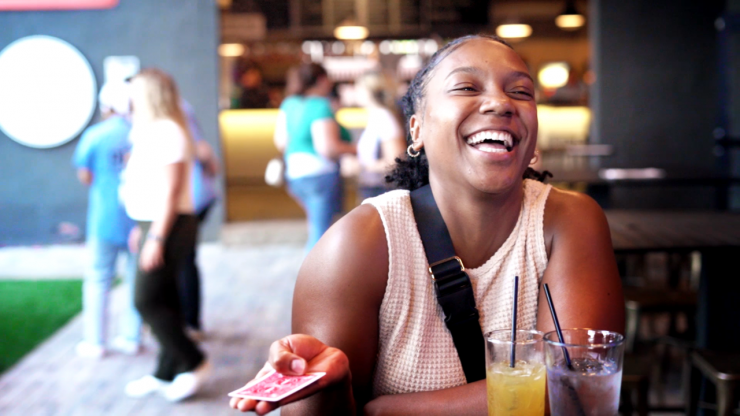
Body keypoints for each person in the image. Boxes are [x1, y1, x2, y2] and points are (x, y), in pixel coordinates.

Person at [230, 34, 625, 415]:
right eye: (467, 87)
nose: (501, 103)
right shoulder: (356, 246)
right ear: (416, 130)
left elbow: (577, 391)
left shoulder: (569, 222)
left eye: (521, 92)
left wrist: (382, 412)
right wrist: (327, 392)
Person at [120, 68, 209, 402]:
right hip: (153, 223)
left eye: (134, 92)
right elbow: (148, 188)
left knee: (145, 300)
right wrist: (140, 228)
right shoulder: (150, 131)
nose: (129, 99)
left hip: (169, 225)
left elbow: (171, 192)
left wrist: (155, 238)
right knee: (166, 299)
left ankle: (194, 361)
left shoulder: (168, 131)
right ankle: (165, 372)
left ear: (148, 95)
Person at [73, 81, 142, 358]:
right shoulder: (138, 133)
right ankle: (132, 337)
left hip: (105, 217)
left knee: (98, 279)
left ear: (106, 107)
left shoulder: (95, 135)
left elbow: (85, 175)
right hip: (137, 217)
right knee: (134, 279)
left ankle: (95, 341)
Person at [273, 63, 356, 252]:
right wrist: (357, 149)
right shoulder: (320, 105)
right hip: (320, 175)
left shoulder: (289, 104)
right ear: (321, 80)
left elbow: (281, 142)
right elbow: (327, 148)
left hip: (295, 175)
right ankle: (314, 271)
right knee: (321, 236)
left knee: (316, 227)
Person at [178, 99, 220, 340]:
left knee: (184, 260)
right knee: (185, 260)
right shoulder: (184, 113)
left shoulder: (177, 119)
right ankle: (190, 322)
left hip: (190, 201)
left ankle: (190, 323)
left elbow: (207, 157)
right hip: (196, 199)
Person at [353, 71, 407, 200]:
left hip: (381, 190)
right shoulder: (377, 116)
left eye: (359, 88)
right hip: (374, 188)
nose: (355, 92)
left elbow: (396, 161)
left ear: (370, 91)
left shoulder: (383, 117)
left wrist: (362, 166)